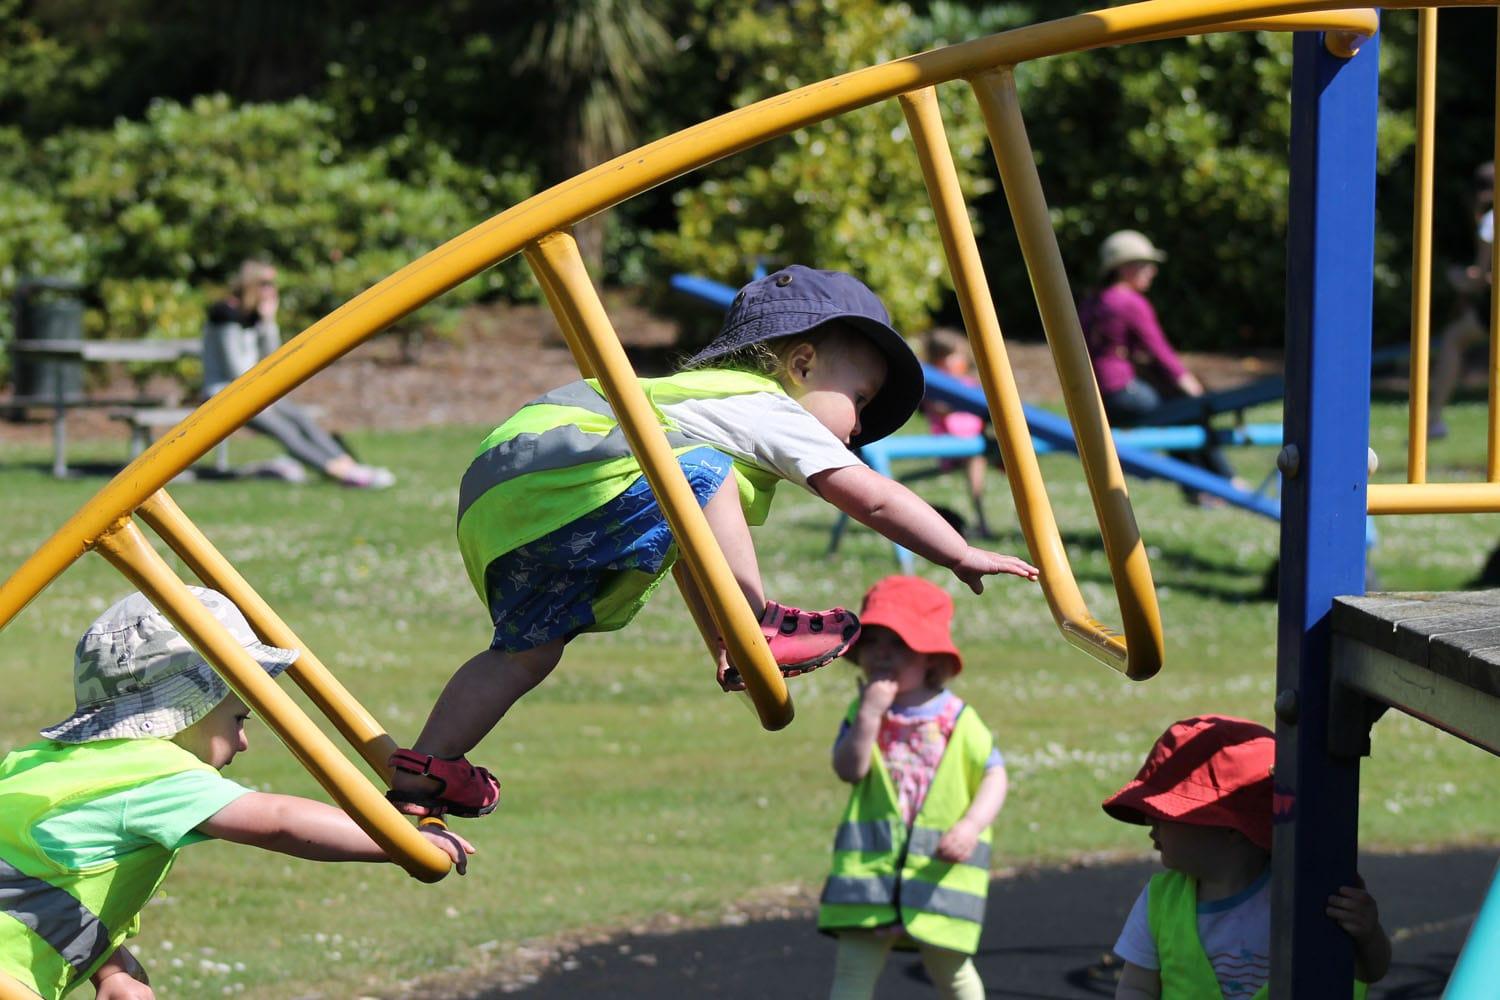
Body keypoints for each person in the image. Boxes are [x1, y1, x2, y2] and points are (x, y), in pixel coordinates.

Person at [385, 265, 1039, 818]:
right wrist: (958, 551)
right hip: (564, 461)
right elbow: (872, 495)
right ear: (802, 364)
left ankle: (428, 764)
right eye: (860, 400)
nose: (859, 428)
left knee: (528, 652)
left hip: (508, 499)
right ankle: (761, 621)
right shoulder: (771, 406)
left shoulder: (704, 420)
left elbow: (692, 554)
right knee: (699, 471)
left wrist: (723, 641)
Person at [0, 588, 472, 1000]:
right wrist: (399, 842)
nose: (243, 741)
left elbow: (40, 882)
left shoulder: (36, 762)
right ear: (188, 707)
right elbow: (280, 820)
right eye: (238, 719)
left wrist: (112, 968)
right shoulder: (154, 773)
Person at [1104, 714, 1391, 999]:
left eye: (1163, 814)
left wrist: (1367, 933)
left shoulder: (1307, 895)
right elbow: (1136, 986)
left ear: (1232, 830)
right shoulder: (1159, 903)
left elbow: (1370, 971)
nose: (1149, 822)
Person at [817, 575, 1008, 1000]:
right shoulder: (862, 711)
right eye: (873, 641)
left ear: (931, 658)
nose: (882, 652)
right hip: (870, 875)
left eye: (899, 642)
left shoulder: (957, 718)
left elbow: (995, 773)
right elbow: (849, 769)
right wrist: (869, 715)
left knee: (953, 976)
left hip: (938, 872)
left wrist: (972, 825)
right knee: (852, 976)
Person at [202, 258, 395, 488]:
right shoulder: (225, 316)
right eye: (266, 283)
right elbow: (236, 370)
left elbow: (272, 360)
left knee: (301, 418)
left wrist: (268, 322)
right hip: (224, 395)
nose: (272, 290)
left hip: (252, 392)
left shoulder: (251, 317)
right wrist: (261, 396)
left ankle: (350, 465)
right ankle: (340, 473)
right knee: (285, 430)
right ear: (250, 284)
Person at [1078, 230, 1239, 496]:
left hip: (1095, 395)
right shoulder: (1130, 302)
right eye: (1145, 264)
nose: (1152, 271)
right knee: (1184, 410)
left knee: (1176, 417)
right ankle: (1225, 482)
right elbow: (1161, 352)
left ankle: (1200, 489)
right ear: (1124, 268)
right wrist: (1193, 390)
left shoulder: (1093, 301)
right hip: (1123, 392)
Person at [1429, 161, 1494, 440]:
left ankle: (1433, 420)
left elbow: (1479, 278)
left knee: (1454, 339)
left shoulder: (1491, 219)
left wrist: (1458, 278)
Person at [922, 330, 995, 539]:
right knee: (975, 461)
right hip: (951, 446)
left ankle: (1011, 519)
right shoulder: (935, 386)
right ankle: (982, 522)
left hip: (977, 442)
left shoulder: (968, 384)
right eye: (951, 358)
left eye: (960, 356)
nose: (958, 362)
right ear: (938, 362)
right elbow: (939, 408)